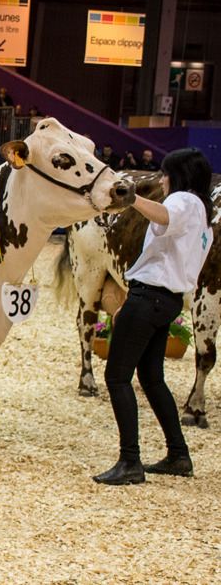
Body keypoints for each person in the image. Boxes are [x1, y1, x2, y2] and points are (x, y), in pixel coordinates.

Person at [93, 148, 214, 486]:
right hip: (166, 300)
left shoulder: (184, 202)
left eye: (164, 174)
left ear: (178, 176)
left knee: (117, 377)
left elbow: (163, 215)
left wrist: (131, 198)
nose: (161, 179)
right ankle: (178, 454)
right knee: (151, 377)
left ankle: (130, 460)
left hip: (150, 297)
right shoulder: (203, 213)